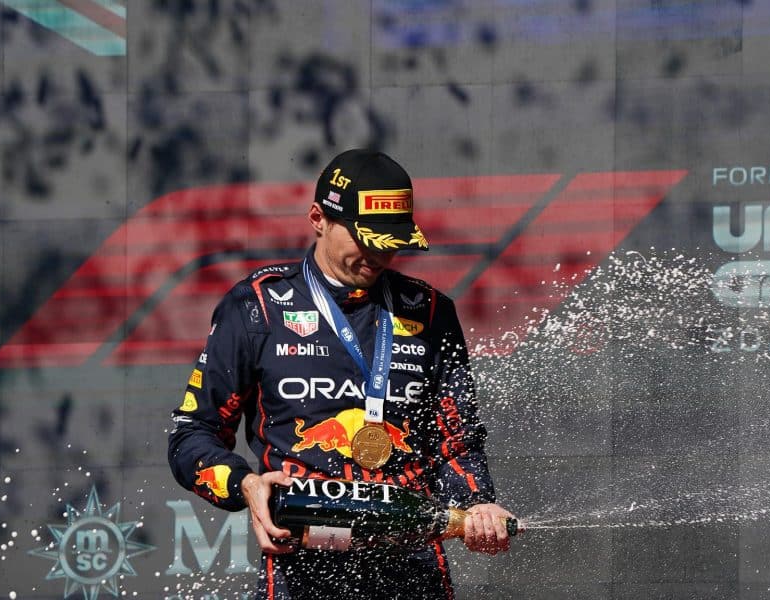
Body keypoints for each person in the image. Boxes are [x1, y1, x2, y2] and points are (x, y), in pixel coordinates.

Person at [168, 149, 514, 599]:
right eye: (367, 240)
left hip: (413, 568)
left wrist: (477, 502)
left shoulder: (430, 311)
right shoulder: (257, 306)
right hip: (301, 566)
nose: (380, 255)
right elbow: (192, 433)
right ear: (318, 218)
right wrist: (246, 484)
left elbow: (457, 440)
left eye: (392, 242)